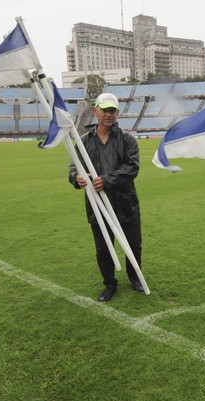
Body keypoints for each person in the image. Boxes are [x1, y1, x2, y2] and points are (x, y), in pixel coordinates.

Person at [69, 93, 143, 302]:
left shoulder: (127, 139)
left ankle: (135, 276)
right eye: (105, 110)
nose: (108, 114)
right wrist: (78, 179)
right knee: (103, 249)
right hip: (98, 206)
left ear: (117, 113)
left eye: (112, 110)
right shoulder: (84, 142)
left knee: (133, 244)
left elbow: (132, 167)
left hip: (126, 203)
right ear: (96, 111)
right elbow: (74, 167)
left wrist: (107, 180)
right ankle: (109, 283)